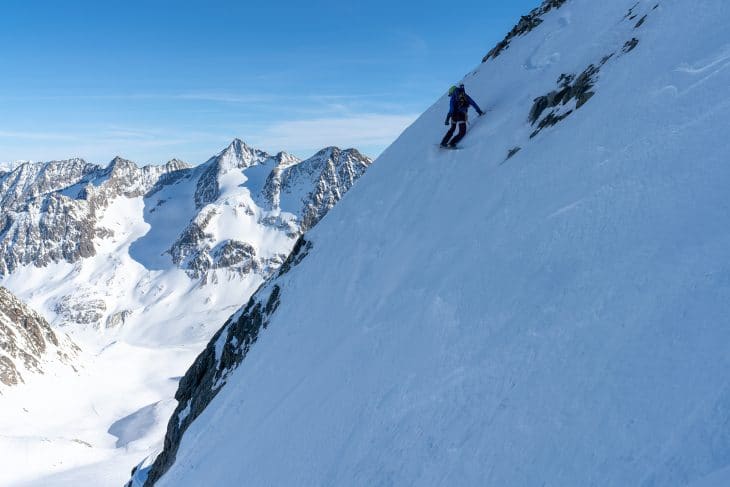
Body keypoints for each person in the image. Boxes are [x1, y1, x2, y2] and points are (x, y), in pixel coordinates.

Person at [440, 83, 484, 148]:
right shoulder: (465, 95)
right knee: (462, 131)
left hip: (453, 116)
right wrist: (479, 112)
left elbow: (451, 109)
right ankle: (452, 143)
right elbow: (473, 103)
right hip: (461, 115)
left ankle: (443, 143)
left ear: (452, 92)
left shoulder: (452, 98)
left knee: (452, 129)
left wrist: (447, 119)